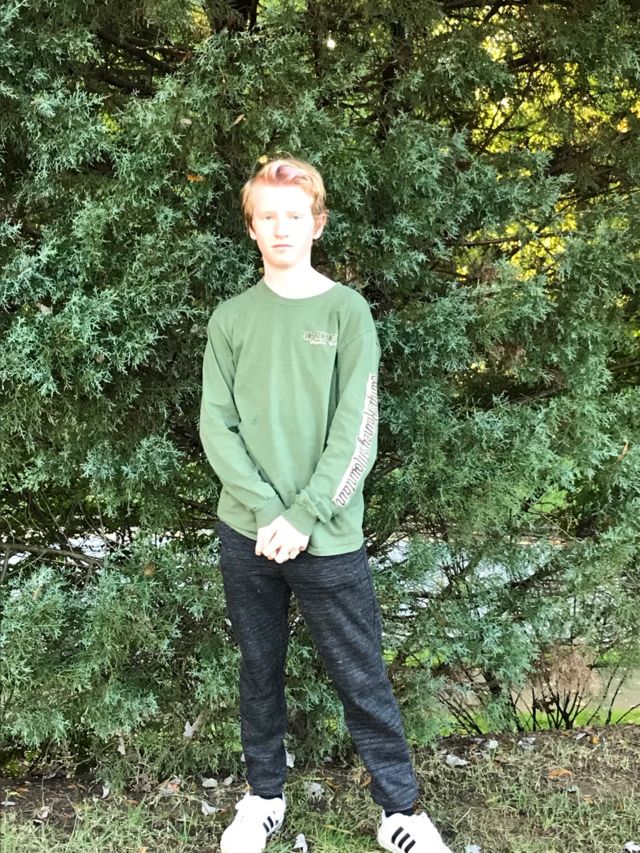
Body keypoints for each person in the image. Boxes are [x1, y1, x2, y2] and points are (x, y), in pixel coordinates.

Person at [199, 156, 453, 853]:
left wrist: (304, 515)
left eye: (294, 215)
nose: (281, 227)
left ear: (317, 223)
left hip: (327, 534)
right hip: (248, 534)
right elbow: (216, 426)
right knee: (259, 671)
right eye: (268, 216)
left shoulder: (346, 312)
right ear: (252, 227)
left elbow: (357, 428)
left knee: (361, 675)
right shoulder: (231, 319)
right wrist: (266, 512)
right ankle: (263, 799)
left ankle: (400, 812)